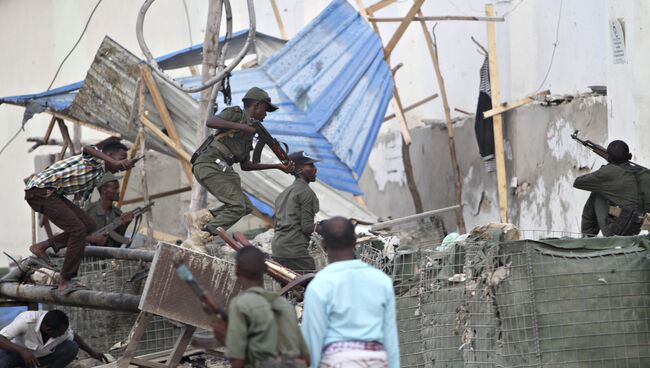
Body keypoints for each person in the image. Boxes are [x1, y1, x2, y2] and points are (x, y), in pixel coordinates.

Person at [183, 87, 294, 250]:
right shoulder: (236, 114)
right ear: (256, 105)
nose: (266, 114)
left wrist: (276, 166)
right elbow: (211, 121)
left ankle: (200, 218)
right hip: (210, 162)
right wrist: (242, 127)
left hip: (220, 166)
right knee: (237, 206)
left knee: (245, 206)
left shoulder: (250, 133)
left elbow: (246, 165)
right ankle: (199, 239)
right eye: (265, 109)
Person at [26, 141, 133, 294]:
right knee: (78, 230)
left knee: (89, 224)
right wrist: (116, 162)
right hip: (41, 191)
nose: (123, 164)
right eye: (122, 158)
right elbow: (87, 148)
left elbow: (80, 200)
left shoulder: (97, 177)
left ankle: (41, 246)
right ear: (109, 155)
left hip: (52, 194)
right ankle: (65, 281)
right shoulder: (96, 161)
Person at [301, 217, 399, 368]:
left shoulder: (319, 285)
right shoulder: (381, 281)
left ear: (323, 244)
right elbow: (390, 336)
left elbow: (313, 339)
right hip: (376, 359)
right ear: (354, 242)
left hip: (336, 360)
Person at [212, 246, 309, 367]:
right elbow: (305, 357)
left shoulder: (241, 305)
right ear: (265, 270)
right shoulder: (283, 305)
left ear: (237, 270)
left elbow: (237, 361)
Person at [574, 140, 650, 236]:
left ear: (609, 157)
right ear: (630, 156)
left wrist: (607, 167)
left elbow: (578, 182)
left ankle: (587, 239)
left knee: (597, 193)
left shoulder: (608, 172)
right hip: (637, 227)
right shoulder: (645, 173)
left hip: (617, 230)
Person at [0, 310, 107, 367]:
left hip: (38, 360)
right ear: (47, 329)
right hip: (16, 356)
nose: (63, 335)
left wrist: (92, 352)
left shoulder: (62, 329)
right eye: (60, 333)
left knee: (72, 347)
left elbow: (74, 337)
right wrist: (22, 350)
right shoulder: (26, 320)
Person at [271, 151, 320, 273]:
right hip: (295, 252)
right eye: (311, 166)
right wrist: (327, 226)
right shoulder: (306, 192)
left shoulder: (284, 193)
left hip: (278, 249)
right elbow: (307, 227)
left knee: (290, 287)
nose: (315, 169)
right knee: (310, 283)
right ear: (299, 169)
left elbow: (276, 223)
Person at [85, 172, 135, 247]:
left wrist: (125, 225)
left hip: (109, 257)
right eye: (115, 188)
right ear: (104, 190)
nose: (118, 191)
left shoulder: (117, 214)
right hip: (90, 257)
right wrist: (92, 239)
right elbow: (72, 237)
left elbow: (117, 245)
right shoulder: (88, 211)